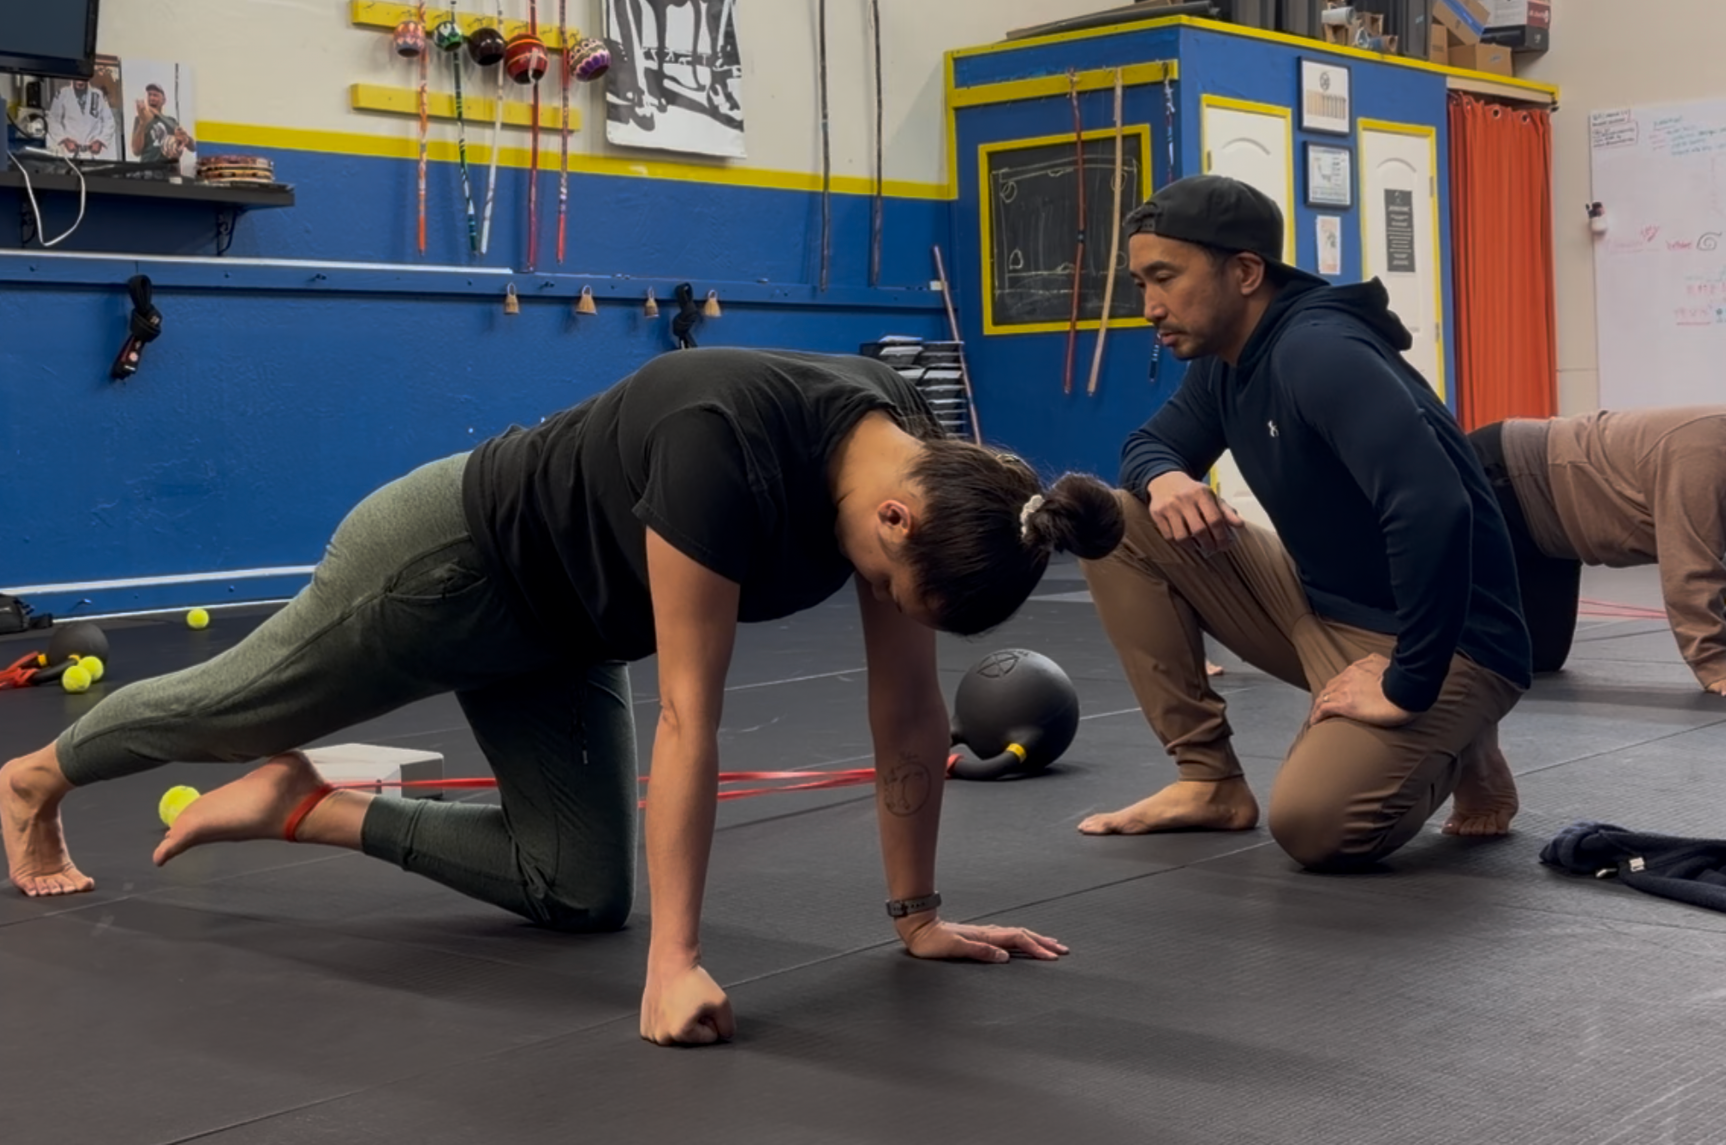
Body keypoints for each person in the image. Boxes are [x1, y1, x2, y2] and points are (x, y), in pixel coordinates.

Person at [2, 347, 1125, 1045]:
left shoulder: (911, 464)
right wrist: (673, 964)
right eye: (888, 586)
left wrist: (916, 916)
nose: (880, 602)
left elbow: (907, 713)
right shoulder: (719, 446)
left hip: (566, 628)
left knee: (579, 886)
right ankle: (35, 777)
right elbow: (690, 715)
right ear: (896, 521)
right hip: (448, 564)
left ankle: (297, 803)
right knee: (233, 706)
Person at [1075, 174, 1533, 870]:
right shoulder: (1227, 362)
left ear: (1247, 271)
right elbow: (1148, 445)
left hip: (1449, 638)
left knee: (1318, 826)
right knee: (1115, 522)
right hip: (1319, 605)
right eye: (1141, 284)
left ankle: (1459, 734)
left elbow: (1435, 506)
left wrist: (1409, 681)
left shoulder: (1317, 351)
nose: (1150, 307)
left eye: (1164, 277)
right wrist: (1167, 478)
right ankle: (1210, 782)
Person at [1468, 407, 1726, 693]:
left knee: (1541, 657)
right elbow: (1690, 567)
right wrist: (1714, 666)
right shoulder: (1703, 455)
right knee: (1478, 660)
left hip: (1552, 530)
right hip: (1501, 473)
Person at [45, 79, 115, 159]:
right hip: (69, 152)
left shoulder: (98, 95)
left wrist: (100, 141)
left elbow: (109, 121)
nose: (80, 79)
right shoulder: (62, 93)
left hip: (92, 153)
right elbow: (53, 120)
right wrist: (64, 140)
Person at [131, 83, 195, 164]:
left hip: (170, 170)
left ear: (163, 100)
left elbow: (193, 147)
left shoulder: (171, 121)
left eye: (155, 95)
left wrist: (186, 140)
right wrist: (142, 123)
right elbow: (136, 151)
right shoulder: (140, 119)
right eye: (149, 95)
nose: (152, 98)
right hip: (148, 169)